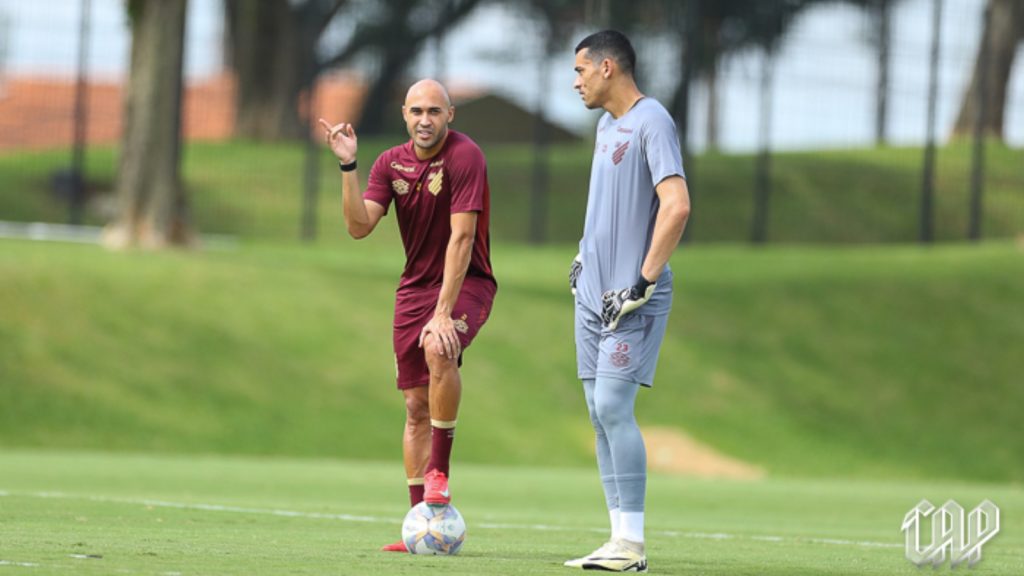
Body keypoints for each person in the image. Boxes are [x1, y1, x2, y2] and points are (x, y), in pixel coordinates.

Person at [319, 78, 497, 553]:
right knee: (415, 408)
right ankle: (421, 521)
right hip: (413, 291)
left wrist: (443, 313)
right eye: (416, 111)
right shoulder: (388, 162)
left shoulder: (466, 157)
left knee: (440, 347)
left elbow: (462, 239)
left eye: (434, 112)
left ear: (450, 115)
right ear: (404, 114)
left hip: (467, 282)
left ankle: (439, 473)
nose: (425, 120)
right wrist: (348, 165)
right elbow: (359, 226)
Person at [564, 30, 691, 573]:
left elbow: (677, 206)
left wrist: (642, 282)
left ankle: (633, 546)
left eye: (581, 71)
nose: (576, 82)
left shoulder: (652, 120)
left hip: (631, 298)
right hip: (593, 294)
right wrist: (580, 255)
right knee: (598, 413)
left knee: (615, 407)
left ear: (608, 67)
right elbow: (607, 206)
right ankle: (617, 538)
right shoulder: (605, 125)